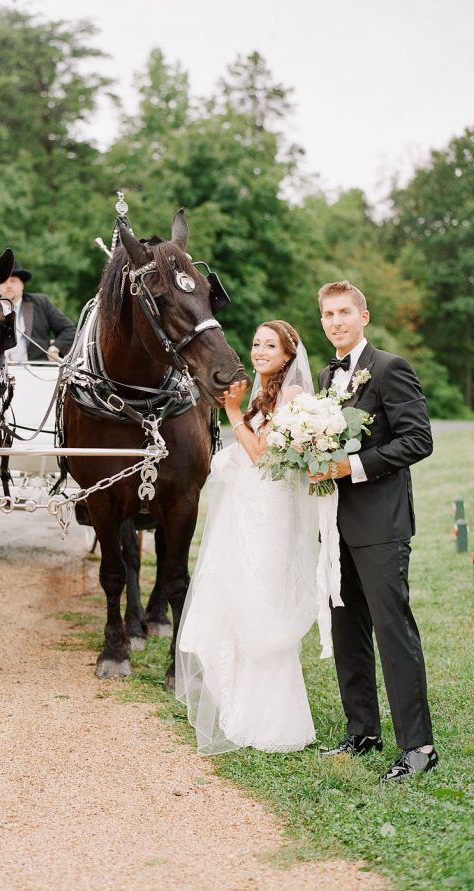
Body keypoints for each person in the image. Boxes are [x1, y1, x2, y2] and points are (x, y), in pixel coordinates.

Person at [311, 280, 437, 782]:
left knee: (393, 631)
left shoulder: (390, 368)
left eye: (344, 312)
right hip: (336, 525)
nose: (335, 322)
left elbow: (418, 440)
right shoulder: (326, 374)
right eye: (327, 314)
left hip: (381, 525)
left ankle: (419, 747)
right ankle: (361, 731)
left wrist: (352, 466)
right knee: (348, 631)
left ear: (364, 316)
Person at [175, 320, 319, 754]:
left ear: (288, 355)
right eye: (256, 344)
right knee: (231, 600)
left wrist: (233, 414)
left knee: (261, 602)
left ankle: (274, 719)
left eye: (269, 345)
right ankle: (239, 707)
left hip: (271, 514)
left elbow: (263, 458)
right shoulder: (260, 396)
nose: (259, 351)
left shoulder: (293, 397)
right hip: (244, 512)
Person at [0, 260, 76, 363]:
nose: (8, 285)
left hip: (37, 372)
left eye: (13, 281)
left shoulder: (41, 303)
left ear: (22, 285)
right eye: (4, 281)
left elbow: (69, 330)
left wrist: (54, 348)